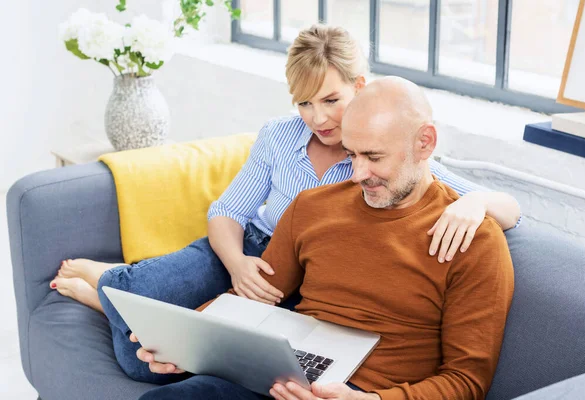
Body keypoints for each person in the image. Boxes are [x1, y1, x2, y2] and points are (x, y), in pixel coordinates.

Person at [49, 25, 520, 384]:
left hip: (292, 272)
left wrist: (474, 201)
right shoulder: (281, 136)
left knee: (143, 360)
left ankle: (102, 296)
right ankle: (107, 282)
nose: (319, 118)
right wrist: (236, 266)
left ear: (360, 86)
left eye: (331, 100)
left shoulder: (393, 155)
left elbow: (491, 202)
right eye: (304, 104)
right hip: (245, 249)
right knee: (144, 308)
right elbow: (227, 212)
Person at [135, 76, 515, 400]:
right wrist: (187, 342)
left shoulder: (475, 240)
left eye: (374, 157)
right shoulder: (312, 206)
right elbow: (250, 300)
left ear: (425, 143)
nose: (358, 174)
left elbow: (467, 381)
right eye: (351, 155)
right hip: (281, 381)